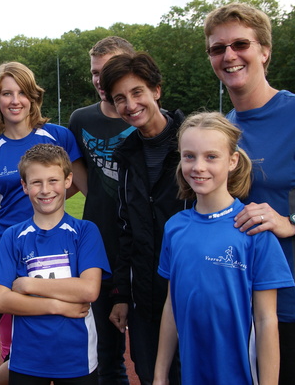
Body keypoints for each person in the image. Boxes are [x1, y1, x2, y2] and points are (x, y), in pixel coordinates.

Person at [203, 2, 295, 385]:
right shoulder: (221, 131)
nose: (229, 56)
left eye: (240, 44)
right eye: (217, 48)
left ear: (264, 51)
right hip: (238, 310)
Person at [153, 111, 295, 385]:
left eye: (211, 156)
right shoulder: (175, 227)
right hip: (191, 374)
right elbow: (172, 305)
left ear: (232, 161)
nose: (199, 167)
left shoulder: (254, 230)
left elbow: (266, 321)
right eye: (189, 156)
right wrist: (160, 375)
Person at [0, 61, 84, 383]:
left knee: (57, 342)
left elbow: (78, 183)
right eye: (7, 93)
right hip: (7, 254)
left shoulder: (58, 135)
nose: (15, 100)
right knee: (15, 352)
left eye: (22, 92)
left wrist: (49, 203)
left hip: (55, 253)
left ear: (33, 97)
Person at [0, 143, 111, 384]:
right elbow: (0, 299)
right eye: (36, 182)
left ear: (67, 180)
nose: (45, 190)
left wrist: (29, 285)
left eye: (53, 180)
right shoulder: (13, 236)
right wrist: (58, 306)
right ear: (24, 186)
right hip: (27, 358)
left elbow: (88, 289)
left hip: (77, 357)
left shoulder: (84, 232)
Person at [99, 52, 187, 385]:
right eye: (120, 98)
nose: (130, 104)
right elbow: (126, 230)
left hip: (191, 295)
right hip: (145, 302)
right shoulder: (125, 155)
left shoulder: (194, 142)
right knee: (152, 375)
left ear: (157, 91)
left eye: (137, 92)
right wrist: (122, 294)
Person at [68, 36, 135, 385]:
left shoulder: (153, 121)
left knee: (158, 356)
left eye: (108, 70)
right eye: (95, 72)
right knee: (104, 359)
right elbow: (72, 181)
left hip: (143, 257)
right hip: (98, 255)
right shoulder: (81, 120)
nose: (100, 79)